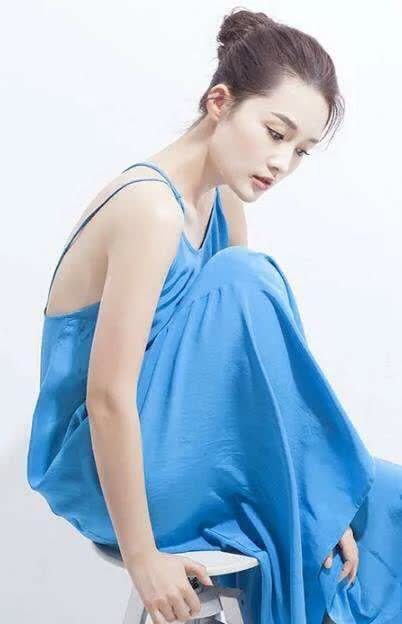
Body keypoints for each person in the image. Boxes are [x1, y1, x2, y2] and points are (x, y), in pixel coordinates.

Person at [26, 7, 402, 624]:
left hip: (185, 447)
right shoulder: (150, 209)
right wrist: (143, 558)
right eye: (275, 133)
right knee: (248, 278)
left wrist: (318, 496)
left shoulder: (225, 196)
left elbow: (256, 363)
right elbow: (108, 397)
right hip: (107, 469)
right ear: (219, 102)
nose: (282, 163)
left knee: (387, 501)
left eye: (301, 151)